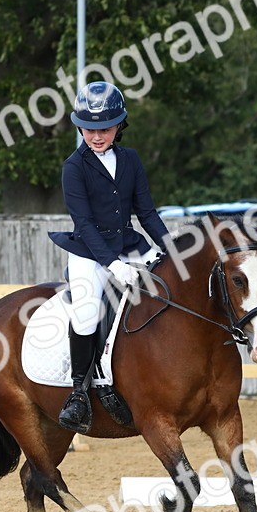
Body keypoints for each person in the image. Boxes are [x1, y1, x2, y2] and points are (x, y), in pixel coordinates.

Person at [48, 81, 171, 433]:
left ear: (118, 126)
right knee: (87, 315)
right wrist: (113, 265)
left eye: (103, 128)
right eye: (88, 129)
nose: (96, 136)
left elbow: (146, 212)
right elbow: (84, 224)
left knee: (168, 290)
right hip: (89, 252)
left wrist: (170, 247)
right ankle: (79, 393)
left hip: (130, 243)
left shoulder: (130, 159)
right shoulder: (74, 166)